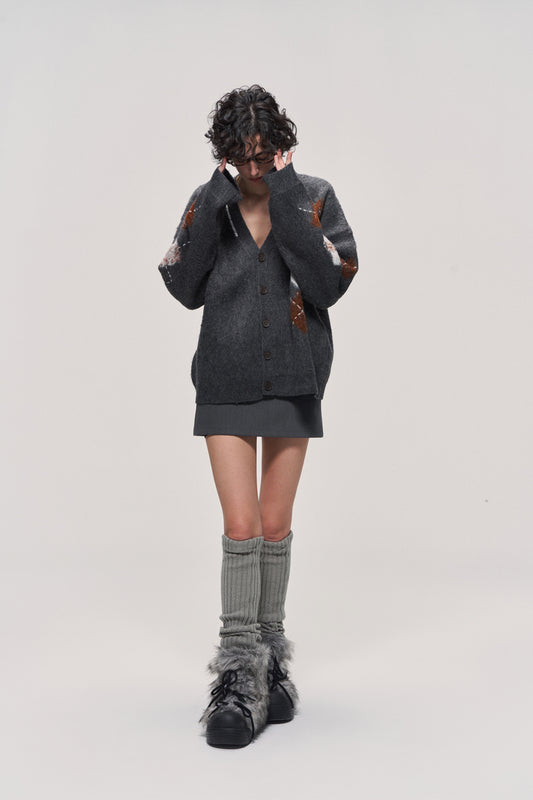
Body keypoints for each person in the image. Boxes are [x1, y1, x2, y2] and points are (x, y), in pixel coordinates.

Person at [157, 84, 359, 748]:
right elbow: (182, 286)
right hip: (224, 378)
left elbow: (329, 283)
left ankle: (270, 667)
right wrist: (216, 198)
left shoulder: (313, 196)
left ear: (281, 148)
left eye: (263, 155)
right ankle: (237, 674)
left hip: (295, 377)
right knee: (240, 527)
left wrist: (287, 194)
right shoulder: (209, 202)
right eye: (240, 157)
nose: (252, 168)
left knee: (274, 525)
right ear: (223, 154)